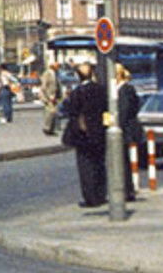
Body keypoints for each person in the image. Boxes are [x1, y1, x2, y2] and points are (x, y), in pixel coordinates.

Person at [63, 62, 107, 207]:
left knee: (85, 167)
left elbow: (71, 112)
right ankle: (101, 195)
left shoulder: (77, 93)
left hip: (82, 135)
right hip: (99, 133)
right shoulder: (101, 90)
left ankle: (90, 197)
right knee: (99, 164)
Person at [115, 63, 142, 201]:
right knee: (123, 160)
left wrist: (116, 124)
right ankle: (127, 189)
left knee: (123, 161)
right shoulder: (124, 89)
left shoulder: (125, 90)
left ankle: (127, 191)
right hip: (125, 129)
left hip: (125, 130)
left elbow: (125, 111)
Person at [39, 65, 63, 136]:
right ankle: (47, 128)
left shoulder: (55, 74)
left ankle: (51, 128)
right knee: (50, 112)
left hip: (55, 96)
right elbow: (44, 85)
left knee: (54, 112)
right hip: (49, 96)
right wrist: (48, 96)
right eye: (58, 66)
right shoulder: (48, 74)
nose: (58, 68)